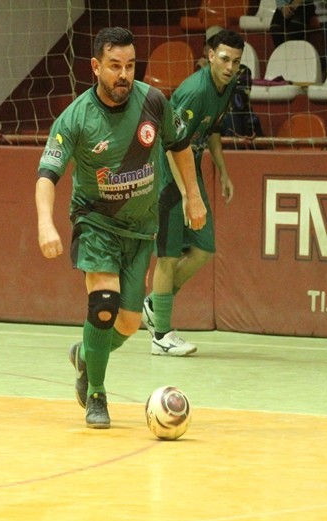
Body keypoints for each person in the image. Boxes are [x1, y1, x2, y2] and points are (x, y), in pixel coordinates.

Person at [35, 27, 205, 429]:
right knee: (104, 304)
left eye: (130, 65)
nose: (124, 74)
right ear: (96, 67)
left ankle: (86, 354)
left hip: (140, 228)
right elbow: (47, 175)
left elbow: (179, 145)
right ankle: (96, 392)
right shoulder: (75, 117)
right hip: (96, 223)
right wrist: (45, 223)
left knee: (128, 322)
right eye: (115, 66)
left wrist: (193, 196)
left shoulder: (154, 101)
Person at [142, 29, 244, 357]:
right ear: (210, 56)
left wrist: (223, 171)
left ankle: (154, 304)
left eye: (236, 62)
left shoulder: (228, 86)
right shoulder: (194, 92)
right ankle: (161, 336)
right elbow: (171, 145)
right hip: (167, 178)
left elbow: (212, 130)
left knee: (203, 249)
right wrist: (187, 193)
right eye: (224, 59)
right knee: (168, 256)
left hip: (191, 173)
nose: (230, 67)